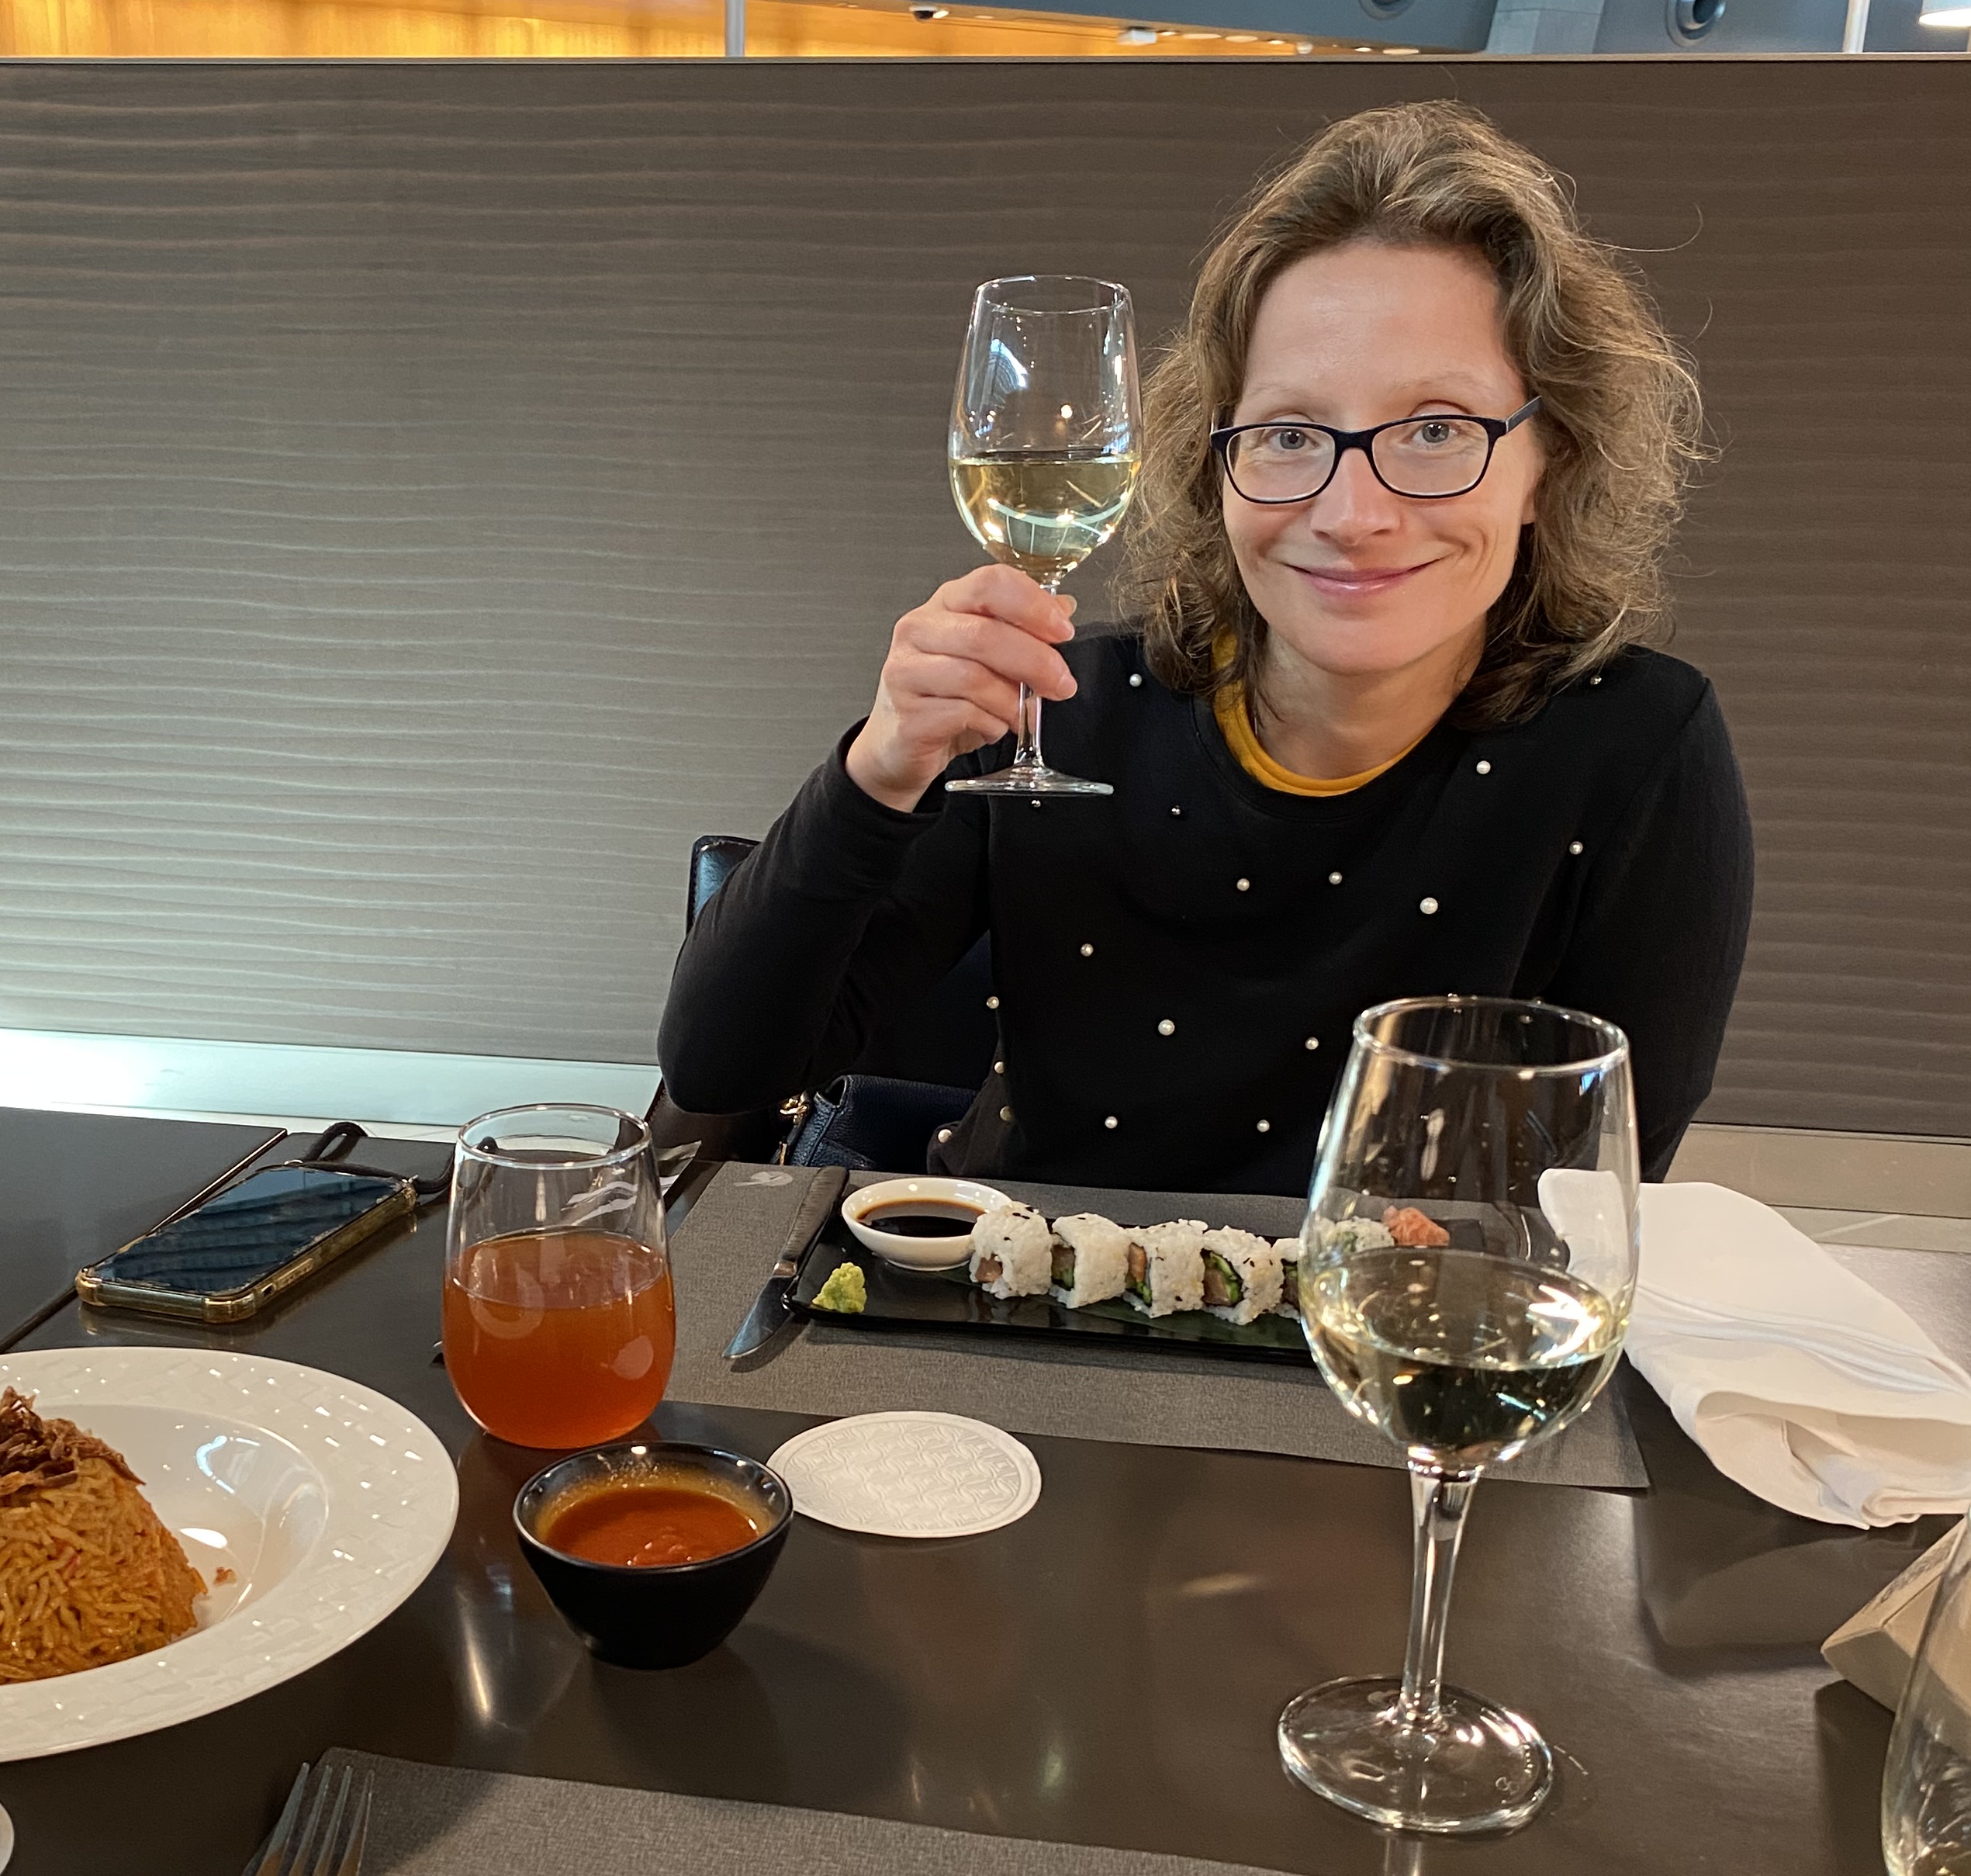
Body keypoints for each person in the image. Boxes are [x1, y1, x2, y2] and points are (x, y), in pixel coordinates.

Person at [659, 100, 1752, 1189]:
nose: (1353, 513)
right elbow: (721, 1067)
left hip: (1400, 1304)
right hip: (1026, 1288)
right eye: (1289, 433)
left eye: (1436, 430)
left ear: (1550, 459)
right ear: (1214, 458)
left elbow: (1592, 1196)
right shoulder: (1061, 708)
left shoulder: (1635, 747)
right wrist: (879, 769)